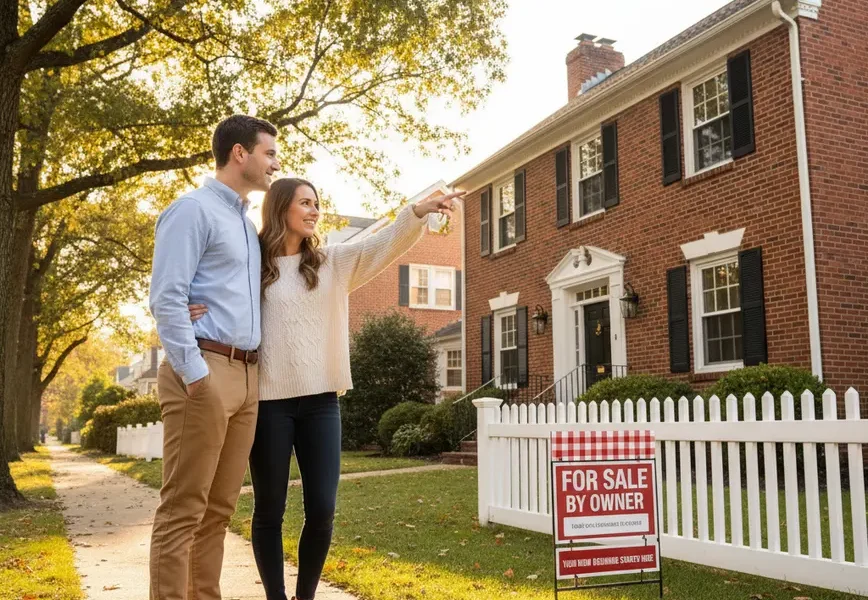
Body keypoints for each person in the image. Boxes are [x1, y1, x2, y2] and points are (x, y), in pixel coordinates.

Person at [188, 178, 462, 600]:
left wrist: (417, 212)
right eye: (305, 203)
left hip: (321, 404)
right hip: (268, 405)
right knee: (269, 510)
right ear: (281, 209)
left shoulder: (332, 262)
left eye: (317, 203)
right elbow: (213, 285)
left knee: (322, 509)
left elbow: (384, 244)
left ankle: (306, 596)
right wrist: (188, 303)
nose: (314, 210)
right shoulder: (252, 265)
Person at [148, 114, 281, 600]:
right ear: (240, 154)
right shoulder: (192, 210)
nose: (275, 162)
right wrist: (195, 374)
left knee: (219, 509)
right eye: (269, 152)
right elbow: (167, 297)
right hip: (204, 371)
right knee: (184, 507)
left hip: (247, 377)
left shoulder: (246, 225)